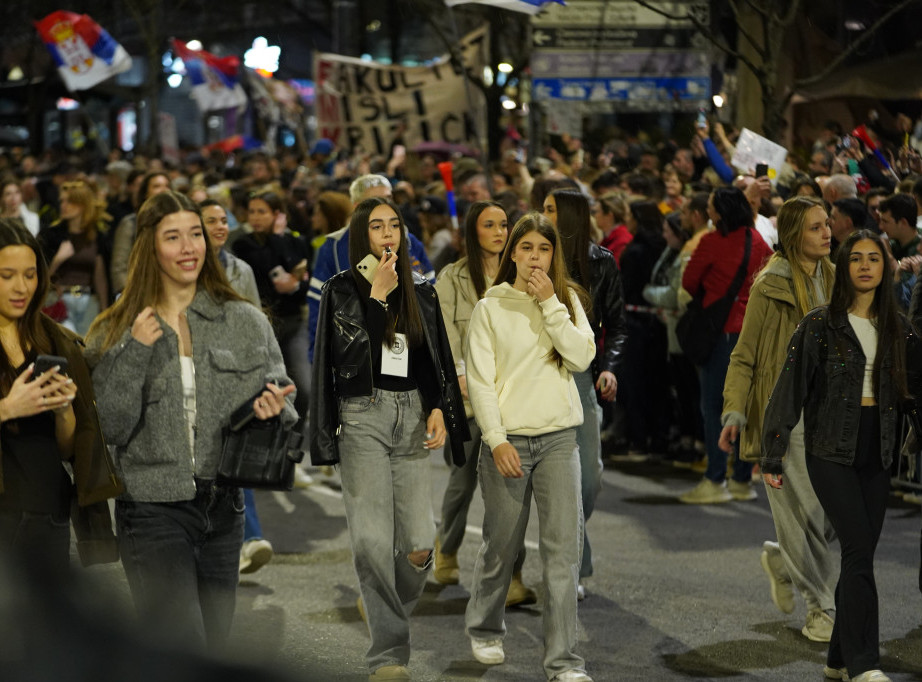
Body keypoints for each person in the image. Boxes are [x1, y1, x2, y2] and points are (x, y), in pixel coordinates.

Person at [85, 191, 297, 650]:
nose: (189, 247)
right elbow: (110, 427)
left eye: (196, 234)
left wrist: (274, 408)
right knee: (179, 647)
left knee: (213, 648)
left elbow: (283, 394)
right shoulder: (115, 327)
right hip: (151, 510)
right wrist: (136, 350)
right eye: (173, 237)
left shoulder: (244, 319)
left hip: (225, 508)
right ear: (149, 247)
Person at [310, 197, 468, 682]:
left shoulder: (421, 288)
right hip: (362, 418)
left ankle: (381, 601)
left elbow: (430, 357)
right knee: (373, 545)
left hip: (412, 417)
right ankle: (388, 656)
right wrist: (377, 297)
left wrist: (439, 406)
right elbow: (351, 357)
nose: (387, 235)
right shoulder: (342, 290)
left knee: (420, 547)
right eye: (376, 227)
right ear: (361, 236)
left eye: (393, 226)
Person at [761, 229, 921, 682]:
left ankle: (836, 659)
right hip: (829, 449)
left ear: (885, 267)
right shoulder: (818, 325)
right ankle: (864, 664)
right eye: (857, 258)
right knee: (857, 549)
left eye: (874, 257)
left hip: (879, 449)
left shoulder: (900, 327)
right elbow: (788, 390)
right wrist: (772, 455)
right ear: (845, 267)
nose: (866, 265)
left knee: (859, 554)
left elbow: (916, 392)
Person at [464, 212, 596, 682]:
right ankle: (484, 626)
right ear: (511, 253)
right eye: (525, 248)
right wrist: (496, 440)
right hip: (509, 441)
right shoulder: (490, 307)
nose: (534, 257)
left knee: (564, 554)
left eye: (543, 249)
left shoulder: (567, 301)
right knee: (501, 543)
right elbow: (480, 381)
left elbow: (581, 357)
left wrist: (550, 306)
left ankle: (563, 661)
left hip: (561, 439)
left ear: (553, 254)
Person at [718, 196, 838, 642]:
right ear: (793, 235)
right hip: (783, 415)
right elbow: (744, 355)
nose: (827, 232)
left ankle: (783, 561)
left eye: (827, 224)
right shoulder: (770, 284)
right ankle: (820, 608)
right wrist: (734, 409)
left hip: (832, 412)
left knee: (831, 516)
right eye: (815, 227)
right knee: (803, 512)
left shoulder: (836, 276)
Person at [431, 200, 537, 605]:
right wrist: (459, 374)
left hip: (513, 400)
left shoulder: (523, 276)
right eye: (489, 225)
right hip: (467, 399)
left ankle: (512, 576)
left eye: (504, 224)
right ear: (472, 232)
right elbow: (444, 332)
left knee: (511, 493)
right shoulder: (452, 277)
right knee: (461, 484)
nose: (499, 231)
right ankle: (448, 547)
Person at [0, 217, 121, 570]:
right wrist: (7, 408)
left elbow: (68, 450)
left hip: (49, 515)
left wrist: (65, 411)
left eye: (30, 274)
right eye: (6, 276)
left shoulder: (56, 341)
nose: (20, 286)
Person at [544, 188, 625, 598]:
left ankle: (570, 555)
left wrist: (609, 369)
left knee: (589, 482)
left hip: (583, 378)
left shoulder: (601, 261)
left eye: (550, 209)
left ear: (571, 216)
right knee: (562, 484)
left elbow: (618, 325)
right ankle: (569, 566)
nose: (542, 214)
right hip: (541, 377)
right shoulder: (533, 257)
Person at [679, 187, 773, 503]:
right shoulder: (759, 242)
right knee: (744, 407)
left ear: (720, 212)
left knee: (714, 408)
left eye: (710, 207)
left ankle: (714, 478)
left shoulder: (712, 242)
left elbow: (689, 281)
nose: (708, 212)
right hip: (753, 334)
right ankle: (742, 479)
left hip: (720, 334)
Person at [199, 199, 271, 575]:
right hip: (199, 374)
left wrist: (259, 372)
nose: (220, 226)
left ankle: (248, 539)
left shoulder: (240, 269)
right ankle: (231, 540)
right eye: (210, 221)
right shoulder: (186, 267)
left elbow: (255, 319)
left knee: (235, 456)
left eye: (223, 220)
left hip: (236, 373)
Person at [232, 191, 311, 440]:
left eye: (262, 212)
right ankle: (268, 444)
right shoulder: (242, 244)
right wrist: (278, 241)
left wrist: (279, 239)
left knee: (303, 388)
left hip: (293, 323)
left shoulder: (296, 242)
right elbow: (266, 267)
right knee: (263, 388)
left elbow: (302, 285)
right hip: (262, 326)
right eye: (252, 211)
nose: (255, 217)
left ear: (278, 215)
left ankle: (292, 444)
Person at [39, 180, 111, 336]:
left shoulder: (96, 237)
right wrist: (57, 259)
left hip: (89, 300)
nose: (63, 205)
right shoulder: (50, 235)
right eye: (62, 201)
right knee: (67, 349)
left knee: (87, 348)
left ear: (83, 204)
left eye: (70, 201)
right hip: (59, 300)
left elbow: (100, 278)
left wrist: (105, 311)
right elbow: (39, 274)